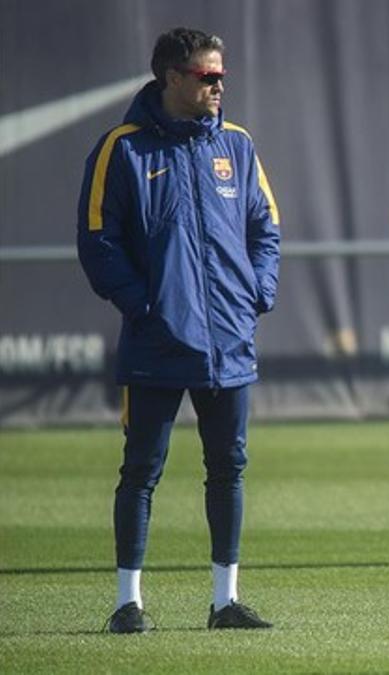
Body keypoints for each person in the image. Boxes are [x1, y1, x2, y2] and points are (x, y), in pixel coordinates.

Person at [77, 27, 280, 634]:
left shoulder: (237, 146)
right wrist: (146, 307)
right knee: (141, 469)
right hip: (156, 342)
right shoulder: (122, 148)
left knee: (229, 467)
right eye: (206, 76)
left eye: (220, 75)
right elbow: (97, 240)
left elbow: (265, 228)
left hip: (230, 343)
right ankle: (128, 604)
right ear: (171, 78)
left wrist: (256, 296)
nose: (218, 85)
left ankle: (225, 602)